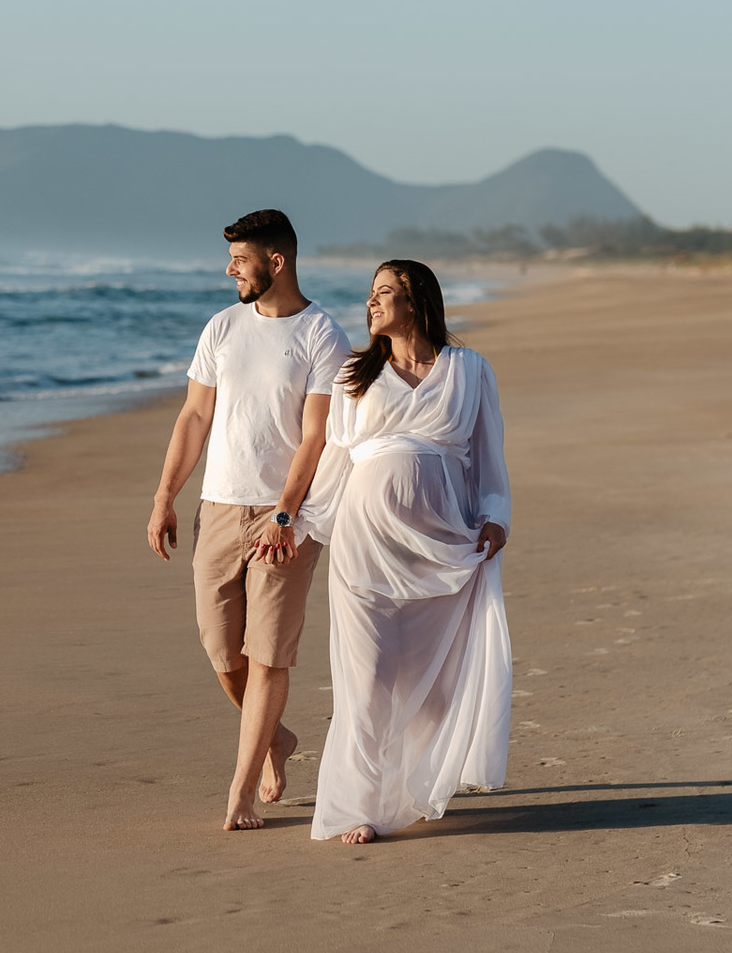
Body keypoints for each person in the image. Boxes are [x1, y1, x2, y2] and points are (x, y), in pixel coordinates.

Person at [147, 209, 351, 831]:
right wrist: (165, 497)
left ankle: (240, 789)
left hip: (285, 515)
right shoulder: (222, 327)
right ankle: (274, 739)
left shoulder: (322, 336)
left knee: (267, 657)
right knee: (221, 649)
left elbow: (315, 437)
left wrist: (287, 514)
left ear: (277, 261)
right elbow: (193, 419)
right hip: (219, 508)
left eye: (239, 260)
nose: (229, 269)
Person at [299, 259, 511, 843]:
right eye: (370, 294)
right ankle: (358, 807)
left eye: (385, 293)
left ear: (416, 303)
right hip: (364, 546)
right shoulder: (353, 375)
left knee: (434, 678)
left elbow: (488, 456)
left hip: (441, 545)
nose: (370, 304)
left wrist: (495, 516)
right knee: (365, 679)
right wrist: (294, 524)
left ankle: (416, 783)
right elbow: (334, 464)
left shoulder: (469, 371)